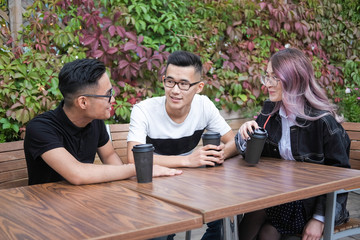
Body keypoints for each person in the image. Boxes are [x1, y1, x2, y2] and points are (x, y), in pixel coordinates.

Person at [235, 48, 350, 240]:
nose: (268, 84)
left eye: (275, 78)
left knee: (258, 214)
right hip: (283, 198)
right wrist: (244, 135)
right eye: (267, 77)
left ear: (293, 79)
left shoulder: (323, 123)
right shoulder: (271, 112)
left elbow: (341, 177)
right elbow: (254, 158)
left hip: (316, 203)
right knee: (264, 227)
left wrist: (319, 219)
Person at [127, 50, 239, 240]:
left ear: (199, 86)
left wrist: (218, 154)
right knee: (159, 234)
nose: (175, 90)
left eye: (184, 84)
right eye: (170, 82)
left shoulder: (204, 106)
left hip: (192, 185)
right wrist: (187, 160)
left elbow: (233, 142)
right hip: (154, 191)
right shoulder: (144, 110)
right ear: (163, 81)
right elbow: (133, 158)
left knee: (224, 218)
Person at [24, 58, 182, 186]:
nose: (113, 99)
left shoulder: (93, 121)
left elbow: (109, 156)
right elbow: (77, 174)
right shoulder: (41, 129)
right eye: (108, 94)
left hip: (88, 203)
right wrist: (138, 169)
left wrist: (134, 178)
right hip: (47, 212)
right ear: (83, 102)